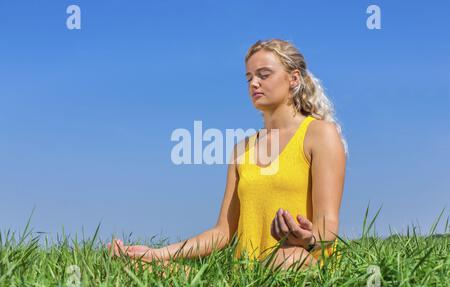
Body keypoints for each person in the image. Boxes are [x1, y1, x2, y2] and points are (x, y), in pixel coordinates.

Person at [108, 38, 347, 274]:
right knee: (141, 267)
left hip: (302, 264)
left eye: (264, 75)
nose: (254, 83)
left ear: (293, 78)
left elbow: (327, 223)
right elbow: (223, 232)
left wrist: (307, 240)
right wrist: (155, 253)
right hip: (246, 275)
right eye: (249, 77)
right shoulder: (242, 149)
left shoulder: (320, 134)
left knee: (287, 257)